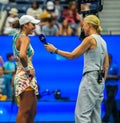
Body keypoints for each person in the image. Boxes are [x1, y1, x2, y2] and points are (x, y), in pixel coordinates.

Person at [44, 14, 109, 123]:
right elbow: (106, 66)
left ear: (89, 25)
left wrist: (55, 50)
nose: (82, 28)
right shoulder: (103, 41)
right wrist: (101, 82)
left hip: (90, 78)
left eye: (83, 25)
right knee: (95, 117)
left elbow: (72, 55)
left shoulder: (90, 39)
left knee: (82, 115)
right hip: (100, 80)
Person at [12, 15, 40, 123]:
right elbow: (22, 55)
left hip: (23, 76)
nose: (34, 27)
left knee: (32, 111)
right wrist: (28, 69)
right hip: (25, 77)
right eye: (32, 24)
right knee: (25, 111)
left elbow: (19, 55)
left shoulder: (16, 37)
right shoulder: (25, 38)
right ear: (25, 25)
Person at [102, 54, 120, 123]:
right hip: (107, 86)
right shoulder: (104, 67)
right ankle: (117, 120)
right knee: (113, 104)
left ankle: (105, 119)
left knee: (109, 101)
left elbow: (118, 76)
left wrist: (109, 76)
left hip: (114, 86)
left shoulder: (115, 66)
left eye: (109, 58)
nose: (107, 60)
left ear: (111, 59)